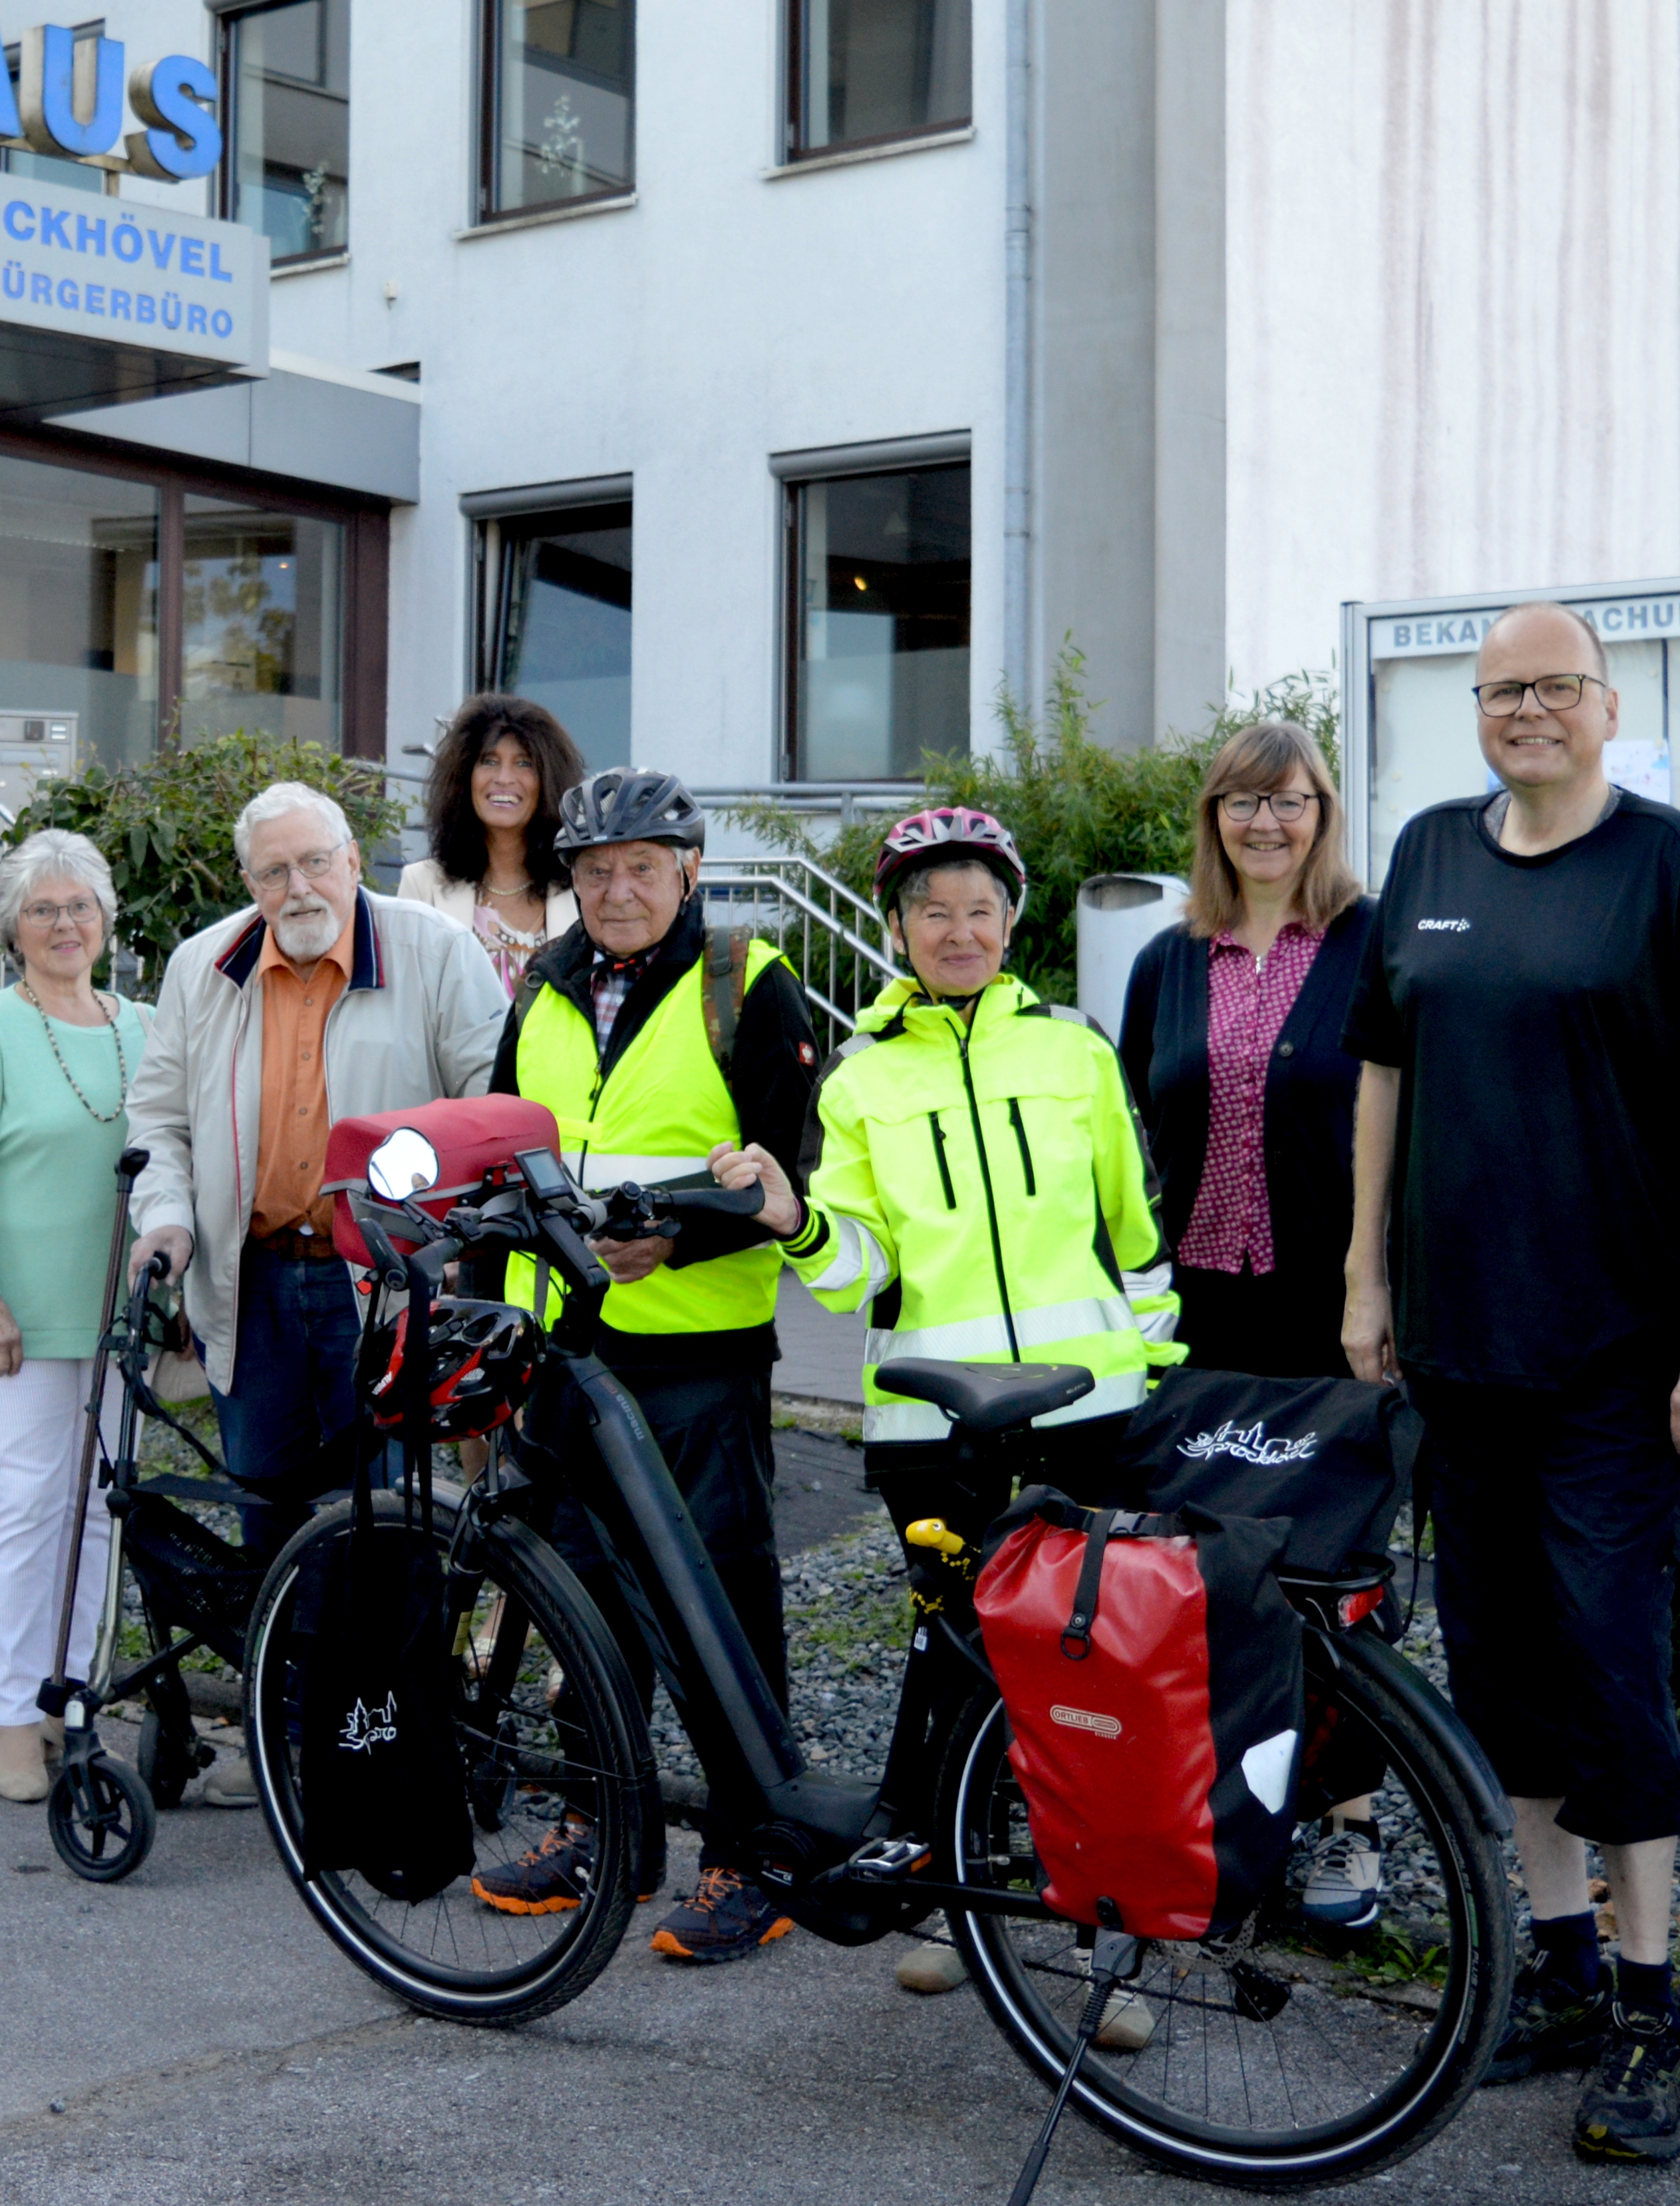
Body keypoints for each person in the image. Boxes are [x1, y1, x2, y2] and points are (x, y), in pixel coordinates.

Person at [1338, 602, 1680, 2163]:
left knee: (1611, 1663)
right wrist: (1365, 1274)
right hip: (1463, 1352)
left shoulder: (1670, 865)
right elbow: (1384, 1070)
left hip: (1615, 1360)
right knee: (1503, 1669)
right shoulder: (1428, 857)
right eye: (1501, 689)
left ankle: (1652, 2005)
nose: (1527, 710)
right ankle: (1564, 1962)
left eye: (1554, 687)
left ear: (1605, 704)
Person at [720, 805, 1177, 2036]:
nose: (958, 929)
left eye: (980, 908)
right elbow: (853, 1266)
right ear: (896, 928)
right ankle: (952, 1907)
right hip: (933, 1426)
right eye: (933, 910)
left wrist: (1151, 1368)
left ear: (1011, 922)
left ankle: (1109, 1943)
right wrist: (790, 1220)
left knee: (1096, 1677)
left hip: (1088, 1412)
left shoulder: (1074, 1049)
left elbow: (1136, 1229)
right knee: (959, 1670)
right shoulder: (861, 1074)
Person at [467, 766, 823, 1967]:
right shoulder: (543, 982)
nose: (617, 889)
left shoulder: (746, 980)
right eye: (594, 870)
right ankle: (602, 1829)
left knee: (718, 1604)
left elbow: (788, 1171)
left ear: (688, 870)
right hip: (566, 1344)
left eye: (641, 867)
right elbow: (507, 1147)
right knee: (581, 1601)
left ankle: (753, 1853)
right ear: (569, 879)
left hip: (700, 1353)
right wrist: (486, 1310)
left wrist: (677, 1237)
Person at [124, 780, 507, 1800]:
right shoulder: (203, 965)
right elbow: (157, 1117)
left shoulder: (433, 950)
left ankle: (392, 1752)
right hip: (249, 1282)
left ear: (350, 859)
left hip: (379, 1286)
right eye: (272, 870)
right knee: (270, 1520)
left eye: (314, 862)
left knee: (387, 1521)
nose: (296, 886)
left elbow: (491, 1100)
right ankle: (294, 1747)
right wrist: (166, 1217)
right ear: (247, 881)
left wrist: (444, 1238)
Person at [1118, 717, 1381, 1928]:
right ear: (1211, 818)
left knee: (1335, 1574)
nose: (1264, 822)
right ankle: (1229, 1821)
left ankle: (1349, 1825)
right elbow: (1140, 1128)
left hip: (1333, 1313)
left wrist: (1385, 1291)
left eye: (1289, 800)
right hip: (1201, 1317)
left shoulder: (1371, 943)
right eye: (1241, 800)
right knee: (1210, 1576)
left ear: (1322, 813)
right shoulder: (1166, 961)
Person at [0, 830, 151, 1804]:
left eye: (80, 905)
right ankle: (16, 1719)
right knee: (24, 1505)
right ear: (12, 928)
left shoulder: (146, 1025)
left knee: (97, 1512)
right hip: (13, 1317)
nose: (65, 923)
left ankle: (76, 1701)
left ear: (106, 917)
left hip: (118, 1316)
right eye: (42, 909)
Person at [397, 693, 585, 995]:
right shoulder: (421, 885)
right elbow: (408, 999)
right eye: (489, 761)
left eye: (524, 763)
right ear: (465, 776)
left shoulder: (582, 886)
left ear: (549, 781)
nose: (504, 778)